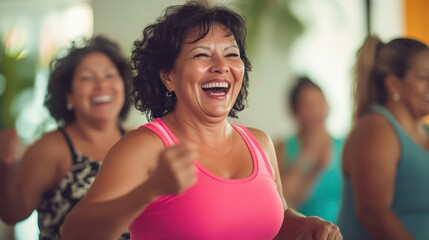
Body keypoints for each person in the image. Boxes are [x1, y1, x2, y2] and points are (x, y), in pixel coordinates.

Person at [61, 2, 342, 239]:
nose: (221, 66)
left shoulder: (259, 142)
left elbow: (275, 220)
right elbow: (73, 233)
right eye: (201, 55)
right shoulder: (145, 146)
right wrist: (150, 190)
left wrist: (306, 224)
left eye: (231, 54)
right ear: (167, 76)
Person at [0, 36, 132, 240]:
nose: (101, 85)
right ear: (68, 95)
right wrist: (4, 166)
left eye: (110, 75)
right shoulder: (51, 148)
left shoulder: (137, 139)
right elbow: (13, 214)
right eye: (87, 78)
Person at [337, 35, 429, 239]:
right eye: (424, 77)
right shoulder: (375, 129)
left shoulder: (425, 131)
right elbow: (374, 214)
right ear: (394, 84)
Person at [275, 77, 343, 223]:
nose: (316, 111)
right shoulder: (282, 148)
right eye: (307, 105)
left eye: (319, 102)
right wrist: (309, 159)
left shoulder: (345, 146)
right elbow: (283, 201)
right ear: (294, 111)